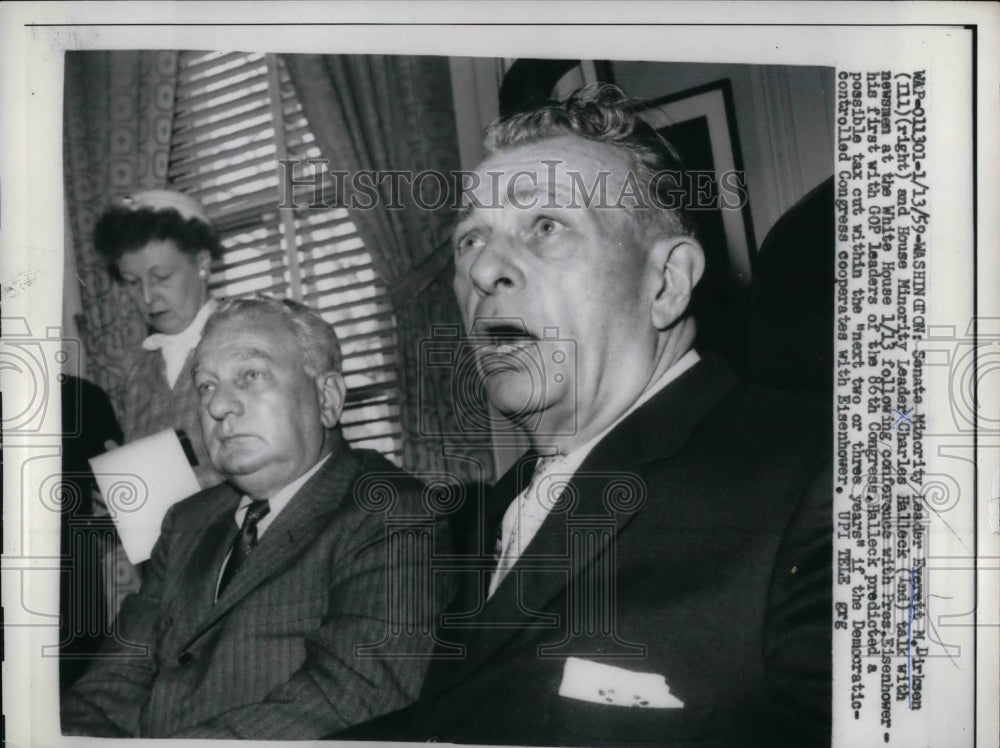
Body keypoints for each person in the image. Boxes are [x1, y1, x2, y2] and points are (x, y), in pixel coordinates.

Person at [337, 84, 832, 746]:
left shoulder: (825, 475)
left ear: (666, 284)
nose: (484, 270)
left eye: (546, 226)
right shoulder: (481, 516)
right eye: (469, 240)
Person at [61, 297, 448, 739]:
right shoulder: (186, 522)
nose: (219, 405)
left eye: (251, 375)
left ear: (327, 398)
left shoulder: (392, 512)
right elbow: (109, 686)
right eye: (206, 385)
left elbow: (351, 694)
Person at [93, 189, 226, 489]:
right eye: (132, 282)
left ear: (202, 263)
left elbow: (281, 465)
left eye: (161, 277)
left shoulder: (247, 342)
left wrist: (166, 488)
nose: (147, 297)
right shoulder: (138, 375)